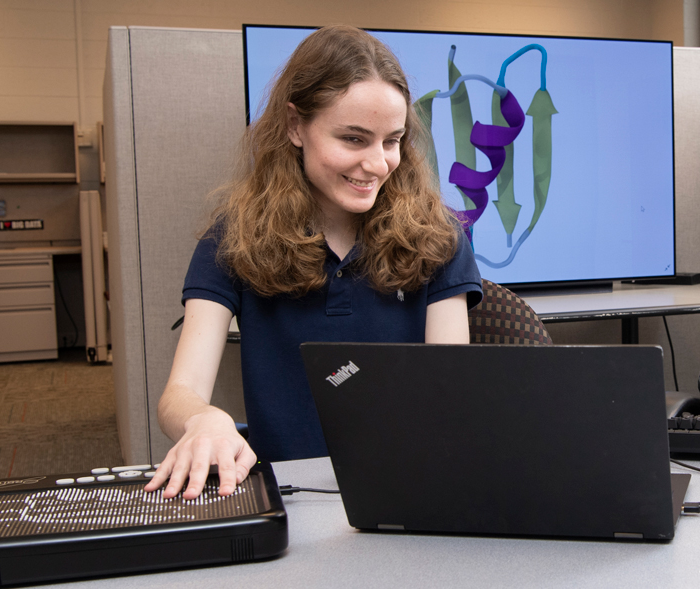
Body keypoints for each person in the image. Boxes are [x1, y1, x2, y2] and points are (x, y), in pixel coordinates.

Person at [144, 24, 483, 501]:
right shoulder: (233, 239)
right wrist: (204, 419)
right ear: (294, 126)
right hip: (290, 496)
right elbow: (178, 395)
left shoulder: (440, 237)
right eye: (353, 139)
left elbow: (452, 394)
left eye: (393, 141)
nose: (378, 163)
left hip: (409, 489)